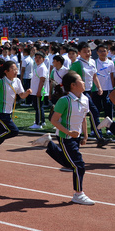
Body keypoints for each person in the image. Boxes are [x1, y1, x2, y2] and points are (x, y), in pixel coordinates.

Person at [31, 71, 95, 205]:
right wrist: (69, 132)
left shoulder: (85, 99)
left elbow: (83, 118)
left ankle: (48, 143)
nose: (83, 82)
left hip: (76, 137)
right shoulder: (64, 101)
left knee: (69, 163)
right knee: (79, 165)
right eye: (80, 80)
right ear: (73, 85)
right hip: (65, 137)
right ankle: (78, 194)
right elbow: (54, 120)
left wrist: (85, 134)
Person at [28, 51, 48, 129]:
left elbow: (42, 80)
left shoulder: (42, 67)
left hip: (38, 91)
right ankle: (42, 121)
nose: (37, 59)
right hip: (35, 91)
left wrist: (39, 91)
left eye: (40, 58)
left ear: (43, 59)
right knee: (38, 107)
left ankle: (38, 123)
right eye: (36, 58)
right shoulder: (38, 67)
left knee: (39, 107)